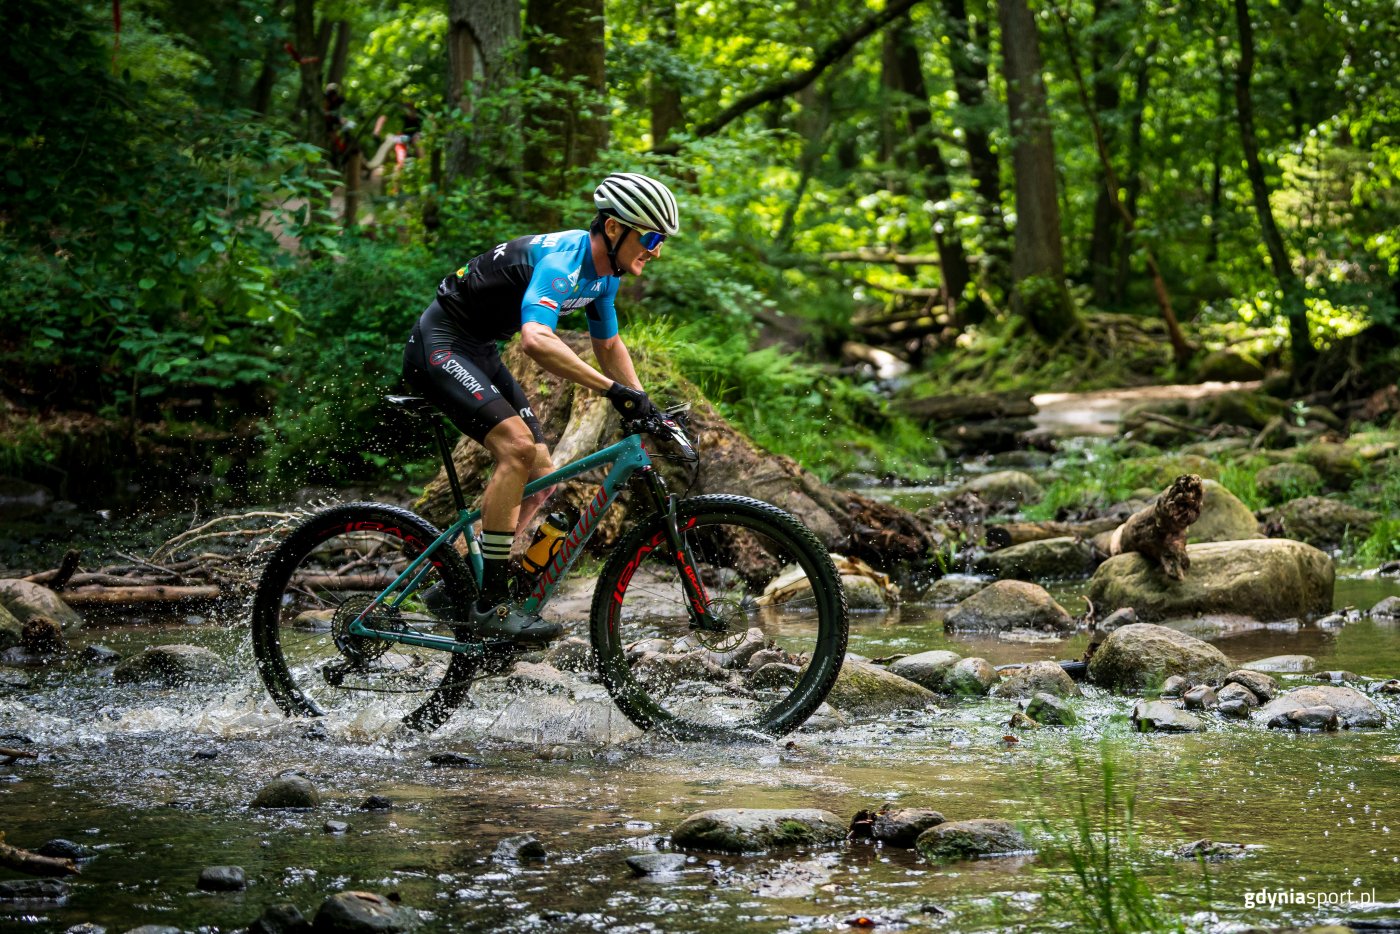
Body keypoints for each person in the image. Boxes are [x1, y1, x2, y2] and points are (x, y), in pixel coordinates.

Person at [401, 172, 679, 645]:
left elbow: (608, 342)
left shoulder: (604, 276)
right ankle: (489, 602)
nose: (655, 250)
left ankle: (459, 586)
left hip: (479, 348)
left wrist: (645, 403)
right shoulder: (563, 260)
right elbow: (535, 340)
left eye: (661, 242)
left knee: (543, 473)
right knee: (517, 449)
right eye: (650, 237)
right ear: (613, 229)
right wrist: (614, 392)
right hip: (441, 344)